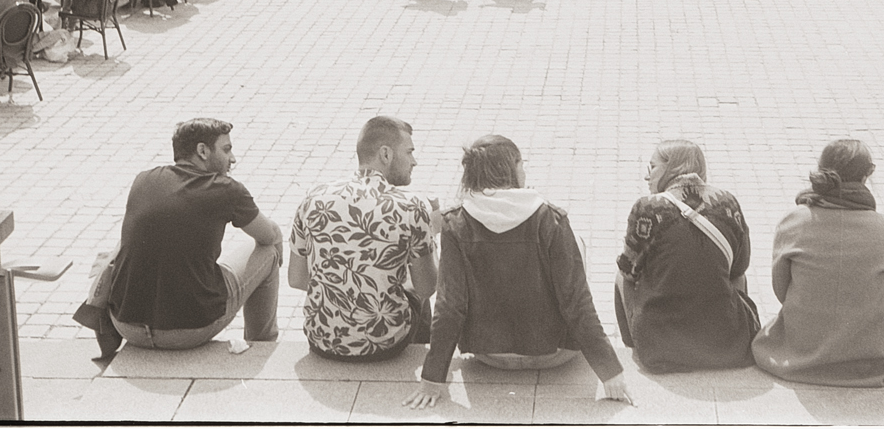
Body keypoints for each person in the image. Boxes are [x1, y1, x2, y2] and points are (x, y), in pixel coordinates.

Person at [404, 135, 633, 409]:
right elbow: (576, 301)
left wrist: (433, 378)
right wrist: (610, 371)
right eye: (521, 163)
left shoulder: (455, 223)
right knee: (578, 247)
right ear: (510, 169)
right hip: (555, 354)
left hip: (488, 354)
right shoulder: (551, 219)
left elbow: (449, 305)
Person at [95, 118, 283, 356]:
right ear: (202, 151)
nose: (232, 159)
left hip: (127, 325)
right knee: (269, 252)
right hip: (188, 331)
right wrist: (278, 248)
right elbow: (268, 236)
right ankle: (263, 345)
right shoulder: (227, 189)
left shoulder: (144, 179)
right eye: (226, 149)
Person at [752, 139, 884, 386]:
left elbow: (781, 291)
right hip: (873, 353)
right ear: (867, 174)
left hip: (801, 349)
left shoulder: (794, 221)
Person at [290, 116, 437, 361]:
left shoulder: (314, 198)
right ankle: (420, 355)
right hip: (385, 344)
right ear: (386, 154)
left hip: (321, 339)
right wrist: (432, 234)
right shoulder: (411, 206)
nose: (415, 161)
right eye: (409, 152)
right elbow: (428, 287)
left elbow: (296, 279)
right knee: (415, 274)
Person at [614, 139, 758, 373]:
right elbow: (740, 266)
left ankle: (635, 344)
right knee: (738, 277)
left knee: (621, 277)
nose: (647, 177)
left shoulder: (648, 208)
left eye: (652, 168)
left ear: (672, 168)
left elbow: (629, 269)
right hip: (723, 344)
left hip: (661, 347)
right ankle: (730, 336)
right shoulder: (727, 201)